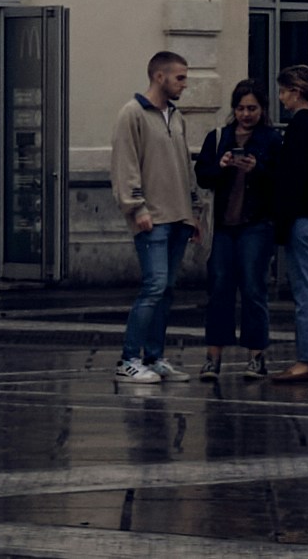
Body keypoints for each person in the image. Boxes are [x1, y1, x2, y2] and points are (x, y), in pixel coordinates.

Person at [116, 48, 200, 388]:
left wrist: (194, 211)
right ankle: (129, 360)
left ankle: (154, 356)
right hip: (152, 217)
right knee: (153, 286)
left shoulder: (176, 117)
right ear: (159, 76)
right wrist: (136, 207)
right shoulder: (132, 113)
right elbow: (125, 163)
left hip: (178, 216)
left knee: (166, 290)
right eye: (180, 77)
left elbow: (185, 166)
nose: (184, 84)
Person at [258, 69, 308, 383]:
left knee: (304, 290)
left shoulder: (298, 128)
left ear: (295, 91)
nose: (280, 98)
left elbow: (290, 180)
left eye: (283, 91)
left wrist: (280, 222)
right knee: (307, 287)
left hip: (299, 216)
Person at [202, 80, 278, 377]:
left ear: (262, 109)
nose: (246, 114)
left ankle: (256, 356)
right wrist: (220, 167)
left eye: (252, 109)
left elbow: (281, 179)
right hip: (223, 224)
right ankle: (213, 356)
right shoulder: (218, 137)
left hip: (255, 223)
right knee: (219, 287)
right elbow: (202, 176)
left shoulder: (271, 139)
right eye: (241, 108)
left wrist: (257, 169)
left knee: (253, 287)